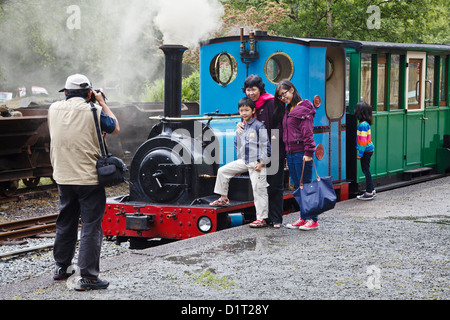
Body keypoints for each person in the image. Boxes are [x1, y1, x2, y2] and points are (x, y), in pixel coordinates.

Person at [48, 74, 120, 291]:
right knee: (90, 225)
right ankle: (88, 277)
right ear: (89, 93)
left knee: (66, 220)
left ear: (66, 93)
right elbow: (115, 127)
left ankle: (62, 268)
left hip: (62, 175)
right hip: (88, 179)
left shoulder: (53, 109)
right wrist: (102, 102)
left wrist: (91, 99)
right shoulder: (94, 111)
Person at [210, 97, 271, 228]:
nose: (244, 113)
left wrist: (261, 162)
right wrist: (239, 158)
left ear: (253, 110)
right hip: (244, 161)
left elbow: (267, 147)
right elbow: (237, 144)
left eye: (246, 110)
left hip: (257, 163)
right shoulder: (240, 126)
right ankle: (223, 198)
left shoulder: (259, 126)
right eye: (241, 110)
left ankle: (261, 219)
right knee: (222, 171)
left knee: (258, 190)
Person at [240, 74, 285, 228]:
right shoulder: (248, 105)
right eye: (248, 90)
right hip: (256, 155)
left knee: (274, 185)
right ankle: (264, 218)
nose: (251, 93)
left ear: (260, 89)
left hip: (274, 148)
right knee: (261, 187)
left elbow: (278, 127)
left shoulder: (271, 103)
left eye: (254, 89)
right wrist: (239, 126)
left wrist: (272, 153)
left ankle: (276, 219)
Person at [274, 79, 318, 231]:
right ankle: (304, 217)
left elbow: (307, 132)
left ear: (292, 90)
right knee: (298, 187)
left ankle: (313, 220)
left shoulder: (303, 108)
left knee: (306, 186)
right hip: (291, 153)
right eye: (280, 96)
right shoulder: (289, 109)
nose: (282, 98)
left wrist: (309, 152)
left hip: (301, 153)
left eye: (284, 94)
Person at [355, 102, 375, 200]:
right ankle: (371, 189)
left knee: (366, 170)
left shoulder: (362, 125)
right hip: (369, 149)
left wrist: (360, 154)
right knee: (367, 169)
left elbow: (363, 141)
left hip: (365, 151)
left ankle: (369, 192)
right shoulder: (366, 124)